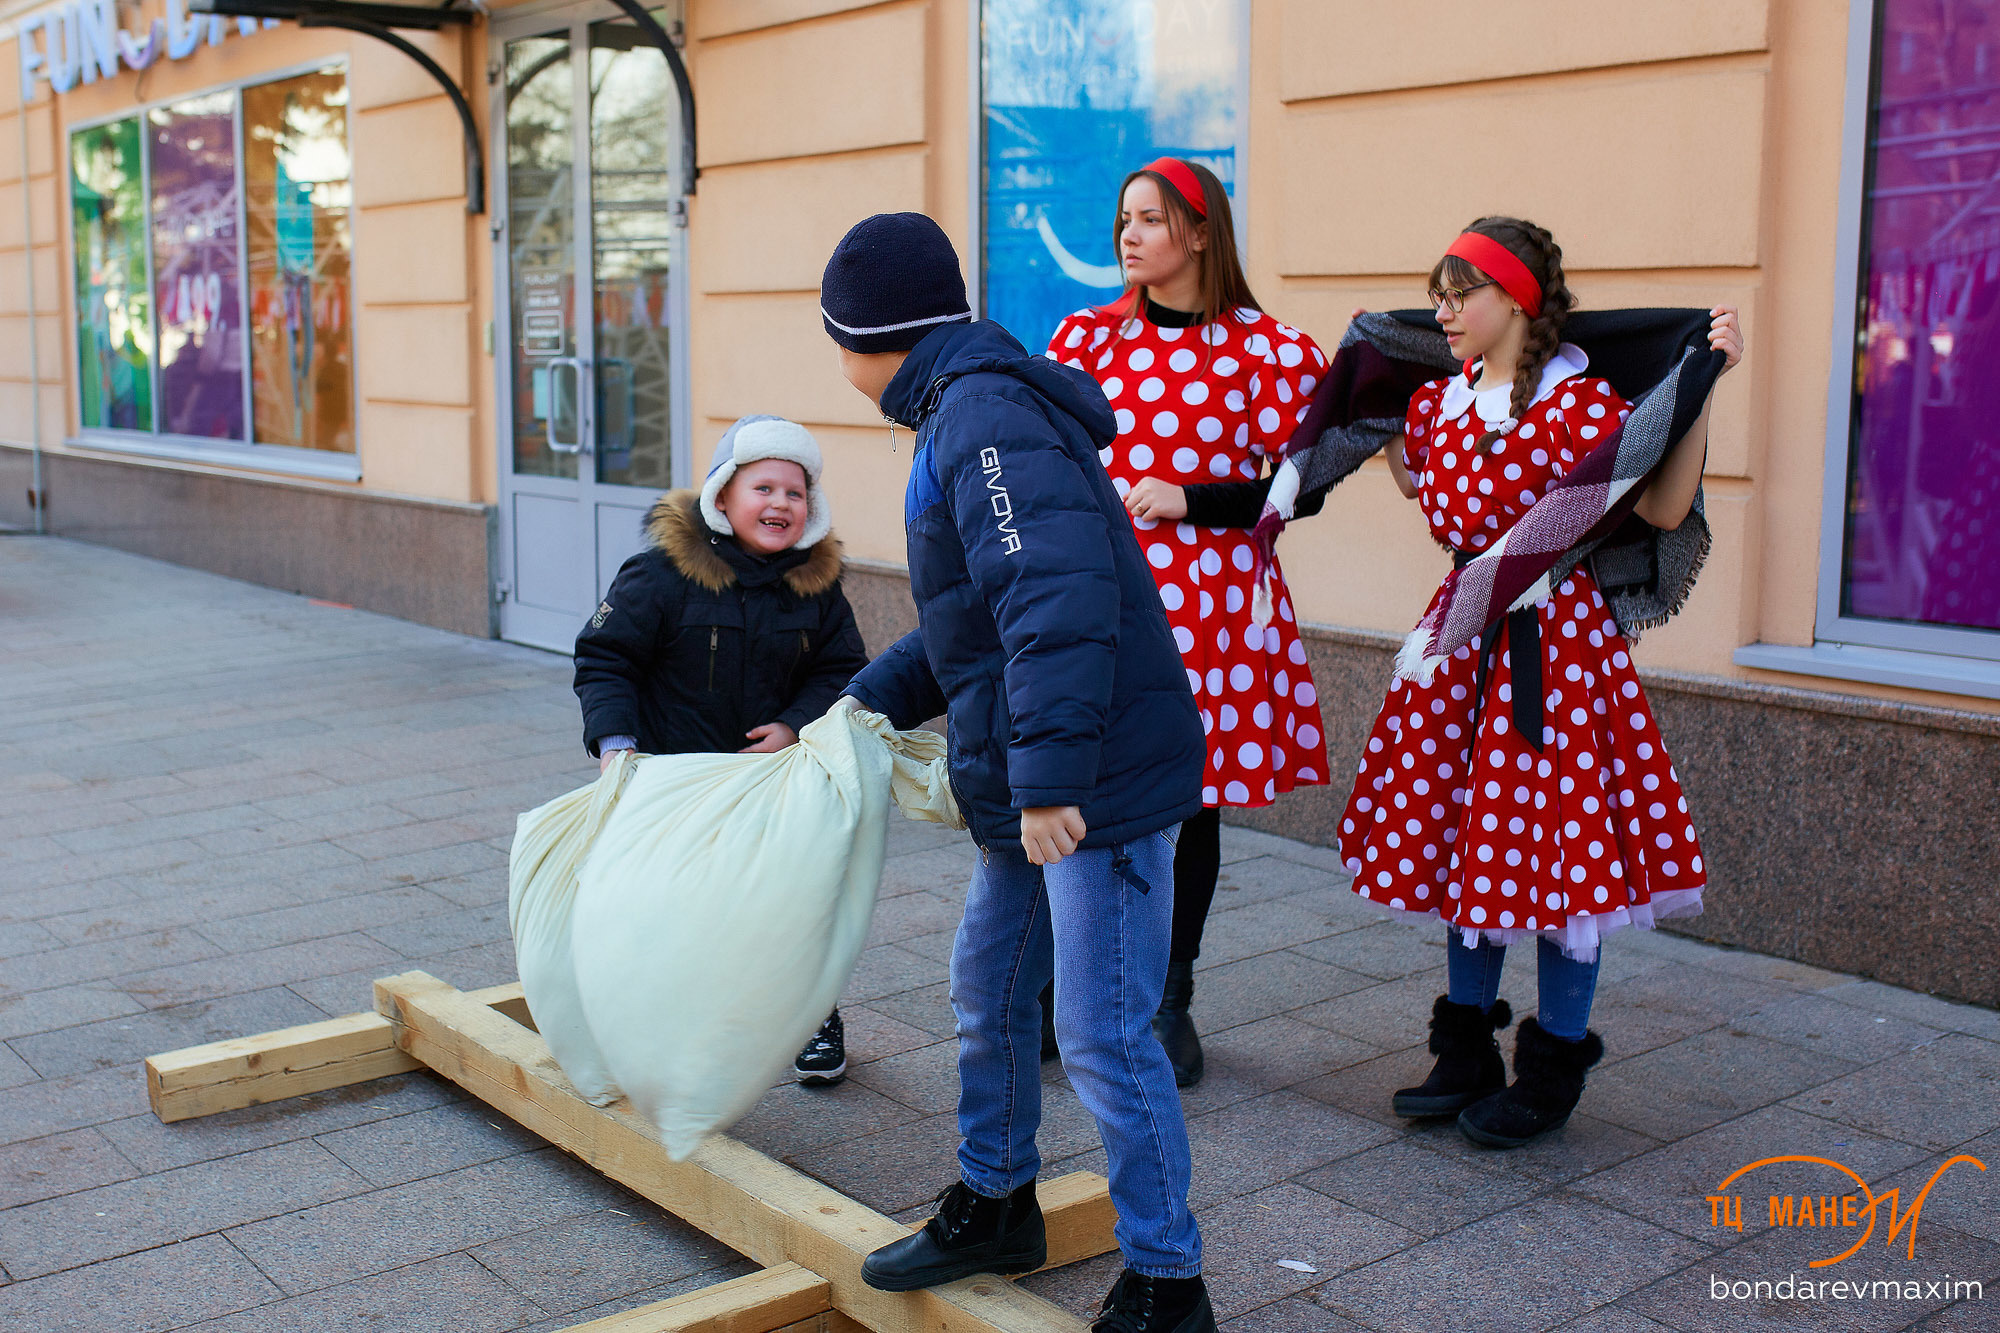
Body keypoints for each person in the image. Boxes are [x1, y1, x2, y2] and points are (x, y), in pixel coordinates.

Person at [821, 212, 1217, 1333]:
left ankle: (1165, 1280)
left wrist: (1048, 784)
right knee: (987, 990)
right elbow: (979, 623)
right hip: (1037, 775)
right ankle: (994, 1200)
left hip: (1092, 785)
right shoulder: (962, 406)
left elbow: (1055, 606)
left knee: (1101, 1030)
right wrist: (858, 702)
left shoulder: (981, 417)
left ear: (869, 334)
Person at [1335, 217, 1743, 1147]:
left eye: (1459, 293)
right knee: (1465, 844)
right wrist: (1370, 368)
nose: (1443, 312)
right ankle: (1465, 1047)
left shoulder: (1582, 407)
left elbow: (1667, 505)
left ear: (1516, 300)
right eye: (1434, 296)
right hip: (1460, 644)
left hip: (1556, 651)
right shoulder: (1439, 406)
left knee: (1561, 857)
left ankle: (1553, 1063)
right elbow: (1412, 481)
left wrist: (1698, 389)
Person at [1045, 156, 1331, 1086]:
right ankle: (1072, 983)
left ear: (1201, 232)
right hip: (1101, 592)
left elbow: (1305, 488)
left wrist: (1194, 496)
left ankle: (1171, 995)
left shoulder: (1271, 350)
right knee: (1078, 782)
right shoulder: (1085, 340)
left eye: (1151, 219)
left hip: (1211, 606)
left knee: (1185, 800)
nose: (1129, 235)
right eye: (1123, 217)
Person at [572, 414, 868, 1085]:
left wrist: (794, 724)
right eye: (763, 487)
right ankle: (658, 1019)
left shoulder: (816, 587)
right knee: (671, 902)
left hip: (769, 781)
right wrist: (617, 745)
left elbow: (842, 668)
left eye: (795, 493)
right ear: (723, 497)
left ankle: (810, 1015)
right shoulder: (661, 575)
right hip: (673, 774)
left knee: (791, 898)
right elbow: (605, 658)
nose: (780, 504)